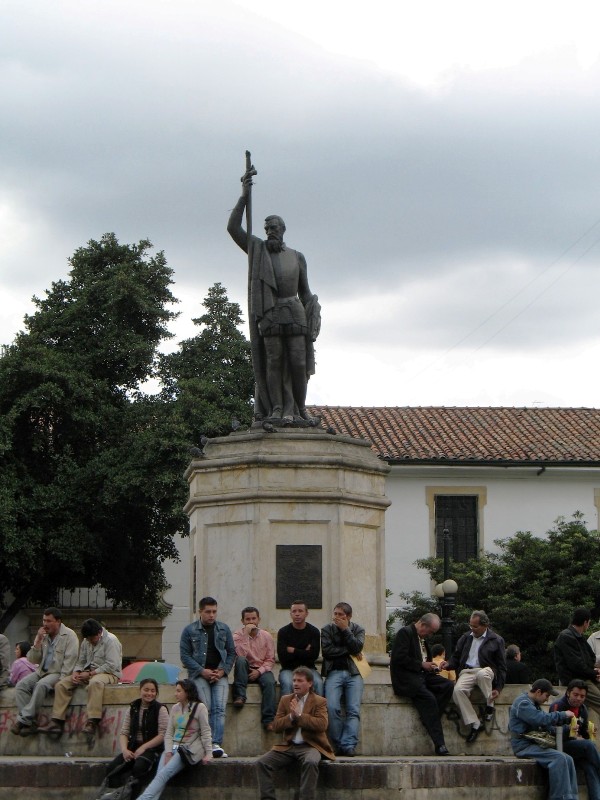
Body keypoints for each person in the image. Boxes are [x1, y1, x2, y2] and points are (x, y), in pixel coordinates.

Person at [227, 166, 321, 424]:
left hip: (296, 312)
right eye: (266, 227)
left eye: (274, 227)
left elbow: (306, 292)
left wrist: (314, 312)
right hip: (270, 313)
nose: (269, 231)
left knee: (299, 364)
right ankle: (277, 409)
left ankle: (300, 409)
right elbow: (233, 228)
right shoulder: (258, 250)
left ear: (283, 230)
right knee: (273, 363)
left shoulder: (297, 257)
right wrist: (244, 197)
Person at [256, 666, 335, 800]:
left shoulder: (319, 701)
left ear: (310, 683)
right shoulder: (286, 700)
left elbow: (322, 725)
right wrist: (291, 717)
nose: (295, 684)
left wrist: (300, 716)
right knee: (262, 763)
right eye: (294, 681)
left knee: (310, 762)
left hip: (311, 745)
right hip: (289, 746)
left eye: (300, 681)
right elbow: (276, 726)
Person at [38, 618, 122, 737]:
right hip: (88, 672)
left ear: (99, 633)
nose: (90, 641)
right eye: (88, 639)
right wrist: (76, 672)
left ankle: (93, 720)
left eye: (92, 639)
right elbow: (81, 660)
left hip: (109, 674)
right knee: (61, 684)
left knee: (95, 683)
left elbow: (111, 665)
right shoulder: (86, 641)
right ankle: (57, 720)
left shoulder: (111, 641)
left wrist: (91, 673)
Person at [390, 612, 454, 756]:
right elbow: (399, 658)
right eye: (430, 631)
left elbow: (424, 660)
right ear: (423, 625)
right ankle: (440, 744)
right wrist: (421, 665)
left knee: (448, 685)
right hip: (408, 678)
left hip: (423, 675)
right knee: (429, 700)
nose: (430, 635)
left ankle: (430, 718)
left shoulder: (422, 639)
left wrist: (430, 667)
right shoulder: (405, 633)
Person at [137, 678, 212, 800]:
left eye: (178, 691)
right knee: (160, 775)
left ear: (187, 692)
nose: (175, 694)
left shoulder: (200, 707)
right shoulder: (175, 708)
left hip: (187, 749)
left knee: (163, 775)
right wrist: (168, 752)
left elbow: (205, 731)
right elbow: (169, 733)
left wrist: (209, 753)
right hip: (172, 747)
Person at [180, 596, 236, 758]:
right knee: (207, 707)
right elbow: (185, 656)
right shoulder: (190, 630)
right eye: (208, 612)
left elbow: (232, 652)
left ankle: (215, 743)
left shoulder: (223, 629)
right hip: (199, 675)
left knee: (219, 708)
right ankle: (207, 743)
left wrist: (222, 670)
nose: (212, 615)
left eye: (214, 612)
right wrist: (202, 671)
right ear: (200, 612)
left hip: (219, 674)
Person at [11, 607, 78, 736]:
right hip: (41, 671)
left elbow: (70, 661)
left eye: (49, 621)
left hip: (57, 672)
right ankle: (30, 722)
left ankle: (22, 721)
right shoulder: (44, 637)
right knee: (21, 686)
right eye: (44, 620)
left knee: (41, 685)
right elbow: (32, 659)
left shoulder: (69, 636)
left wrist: (61, 680)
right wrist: (37, 642)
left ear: (58, 621)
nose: (45, 624)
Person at [442, 610, 506, 743]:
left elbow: (501, 666)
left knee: (483, 674)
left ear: (485, 625)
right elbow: (456, 658)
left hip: (486, 670)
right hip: (467, 671)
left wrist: (498, 688)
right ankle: (475, 723)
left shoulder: (496, 640)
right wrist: (447, 664)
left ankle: (490, 704)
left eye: (475, 626)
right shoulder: (466, 638)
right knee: (457, 691)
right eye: (470, 626)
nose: (472, 629)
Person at [509, 678, 578, 800]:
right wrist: (562, 714)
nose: (547, 699)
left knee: (568, 759)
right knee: (559, 758)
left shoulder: (533, 703)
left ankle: (571, 797)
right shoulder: (522, 703)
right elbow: (540, 719)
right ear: (538, 692)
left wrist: (568, 728)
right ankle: (560, 798)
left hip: (533, 743)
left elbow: (546, 727)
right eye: (547, 695)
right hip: (523, 745)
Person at [102, 678, 169, 799]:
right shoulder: (133, 708)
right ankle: (117, 795)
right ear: (140, 690)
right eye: (146, 690)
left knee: (139, 767)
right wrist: (124, 750)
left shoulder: (160, 709)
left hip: (152, 748)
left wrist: (144, 747)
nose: (149, 693)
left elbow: (162, 735)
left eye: (153, 691)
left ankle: (133, 797)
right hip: (133, 746)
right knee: (112, 768)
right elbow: (124, 732)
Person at [321, 602, 365, 756]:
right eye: (336, 614)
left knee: (353, 710)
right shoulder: (327, 630)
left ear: (349, 617)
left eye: (341, 615)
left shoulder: (357, 629)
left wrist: (346, 630)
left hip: (354, 673)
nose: (337, 618)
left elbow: (357, 647)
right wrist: (349, 651)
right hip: (334, 672)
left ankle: (349, 744)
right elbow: (327, 652)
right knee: (332, 707)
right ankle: (338, 742)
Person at [551, 678, 600, 800]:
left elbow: (584, 733)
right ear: (568, 693)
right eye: (575, 695)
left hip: (577, 749)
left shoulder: (582, 709)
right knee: (589, 745)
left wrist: (588, 733)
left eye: (582, 696)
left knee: (590, 768)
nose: (578, 699)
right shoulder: (558, 706)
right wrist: (569, 730)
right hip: (561, 746)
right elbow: (552, 731)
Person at [233, 606, 276, 730]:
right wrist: (246, 636)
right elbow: (239, 655)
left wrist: (259, 671)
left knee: (270, 682)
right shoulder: (237, 635)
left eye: (254, 618)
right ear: (242, 621)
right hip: (244, 668)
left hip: (261, 668)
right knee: (241, 661)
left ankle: (268, 719)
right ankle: (240, 696)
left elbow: (270, 659)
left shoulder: (267, 636)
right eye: (248, 619)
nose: (251, 622)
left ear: (259, 619)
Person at [554, 607, 600, 714]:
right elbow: (576, 665)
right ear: (585, 622)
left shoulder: (578, 636)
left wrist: (594, 672)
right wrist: (594, 672)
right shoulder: (567, 636)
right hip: (576, 680)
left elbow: (590, 658)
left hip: (586, 676)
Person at [277, 601, 323, 696]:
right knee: (288, 683)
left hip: (309, 669)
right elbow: (283, 657)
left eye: (300, 611)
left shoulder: (314, 632)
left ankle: (318, 711)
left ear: (306, 613)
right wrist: (304, 652)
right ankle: (288, 711)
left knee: (318, 683)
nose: (297, 614)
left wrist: (294, 650)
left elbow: (313, 656)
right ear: (290, 614)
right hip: (288, 669)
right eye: (294, 611)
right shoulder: (283, 632)